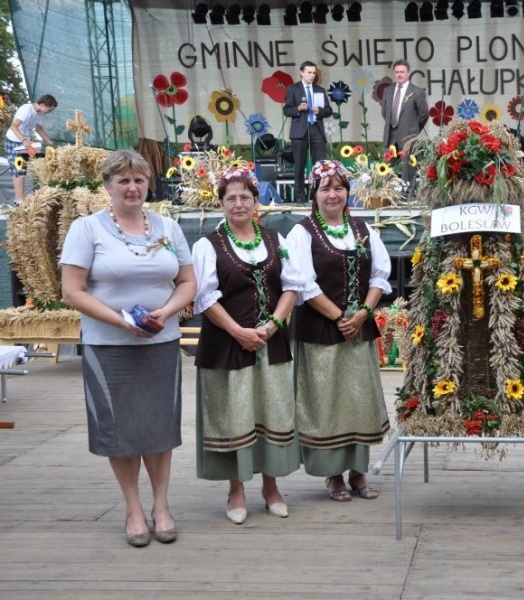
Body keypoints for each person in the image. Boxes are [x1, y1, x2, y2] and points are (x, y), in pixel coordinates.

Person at [60, 150, 196, 547]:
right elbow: (71, 291)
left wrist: (166, 312)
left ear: (148, 183)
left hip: (161, 341)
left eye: (139, 179)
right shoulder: (87, 229)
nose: (133, 187)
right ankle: (133, 509)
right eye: (123, 181)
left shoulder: (168, 227)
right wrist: (121, 321)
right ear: (107, 186)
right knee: (119, 428)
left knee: (158, 425)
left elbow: (188, 282)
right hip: (109, 345)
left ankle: (161, 506)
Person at [190, 166, 302, 525]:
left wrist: (273, 324)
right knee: (235, 415)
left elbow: (291, 287)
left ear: (257, 202)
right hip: (228, 346)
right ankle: (236, 488)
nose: (238, 204)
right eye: (231, 198)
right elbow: (205, 299)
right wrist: (239, 332)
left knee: (271, 412)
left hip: (272, 341)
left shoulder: (274, 240)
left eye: (245, 197)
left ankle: (271, 486)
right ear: (221, 203)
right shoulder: (207, 245)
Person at [286, 159, 391, 501]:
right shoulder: (302, 233)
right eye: (325, 188)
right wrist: (339, 318)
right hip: (320, 330)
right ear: (314, 194)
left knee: (358, 396)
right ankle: (333, 474)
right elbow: (303, 283)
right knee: (327, 400)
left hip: (357, 328)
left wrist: (361, 314)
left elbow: (379, 275)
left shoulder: (363, 229)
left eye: (339, 188)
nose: (333, 195)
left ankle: (359, 472)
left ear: (348, 192)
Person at [283, 61, 333, 202]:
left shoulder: (320, 90)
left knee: (320, 166)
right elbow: (286, 110)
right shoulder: (293, 89)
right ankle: (300, 197)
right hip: (300, 131)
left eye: (313, 73)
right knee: (300, 165)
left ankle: (319, 196)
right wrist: (298, 108)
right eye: (309, 72)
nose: (312, 75)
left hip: (316, 129)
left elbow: (329, 110)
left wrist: (320, 111)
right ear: (301, 73)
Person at [381, 59, 428, 184]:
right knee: (388, 169)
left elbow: (424, 114)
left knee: (408, 167)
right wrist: (393, 124)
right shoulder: (388, 90)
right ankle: (390, 195)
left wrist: (414, 129)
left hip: (408, 135)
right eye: (397, 72)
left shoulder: (417, 92)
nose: (399, 75)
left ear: (408, 73)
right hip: (390, 134)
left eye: (402, 72)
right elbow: (384, 112)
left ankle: (409, 195)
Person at [5, 94, 57, 203]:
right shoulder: (26, 109)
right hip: (14, 141)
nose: (49, 112)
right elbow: (13, 126)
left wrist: (50, 143)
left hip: (25, 144)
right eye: (49, 109)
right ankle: (19, 201)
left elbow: (39, 129)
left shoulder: (40, 114)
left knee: (25, 170)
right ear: (42, 104)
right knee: (19, 171)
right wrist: (24, 141)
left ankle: (32, 198)